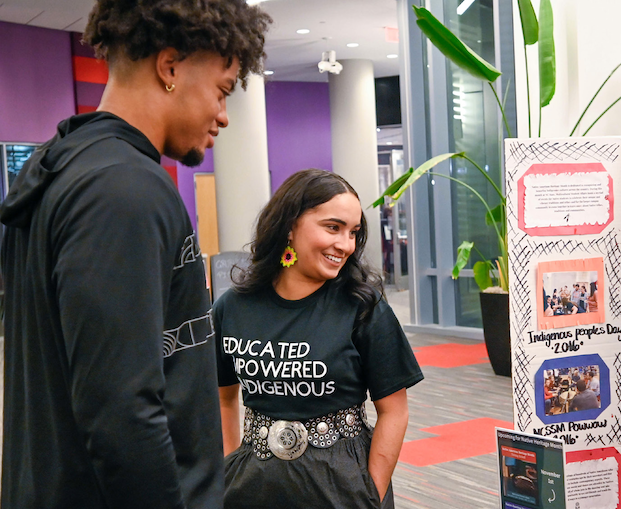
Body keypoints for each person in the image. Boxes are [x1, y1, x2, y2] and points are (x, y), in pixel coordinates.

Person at [0, 2, 270, 508]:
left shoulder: (63, 169)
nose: (224, 116)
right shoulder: (124, 192)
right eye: (221, 91)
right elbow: (121, 414)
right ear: (170, 67)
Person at [216, 170, 423, 508]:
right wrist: (227, 469)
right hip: (254, 486)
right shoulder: (233, 307)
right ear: (289, 225)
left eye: (353, 232)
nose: (345, 245)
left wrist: (371, 491)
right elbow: (222, 399)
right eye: (332, 227)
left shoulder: (362, 308)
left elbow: (394, 411)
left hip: (342, 486)